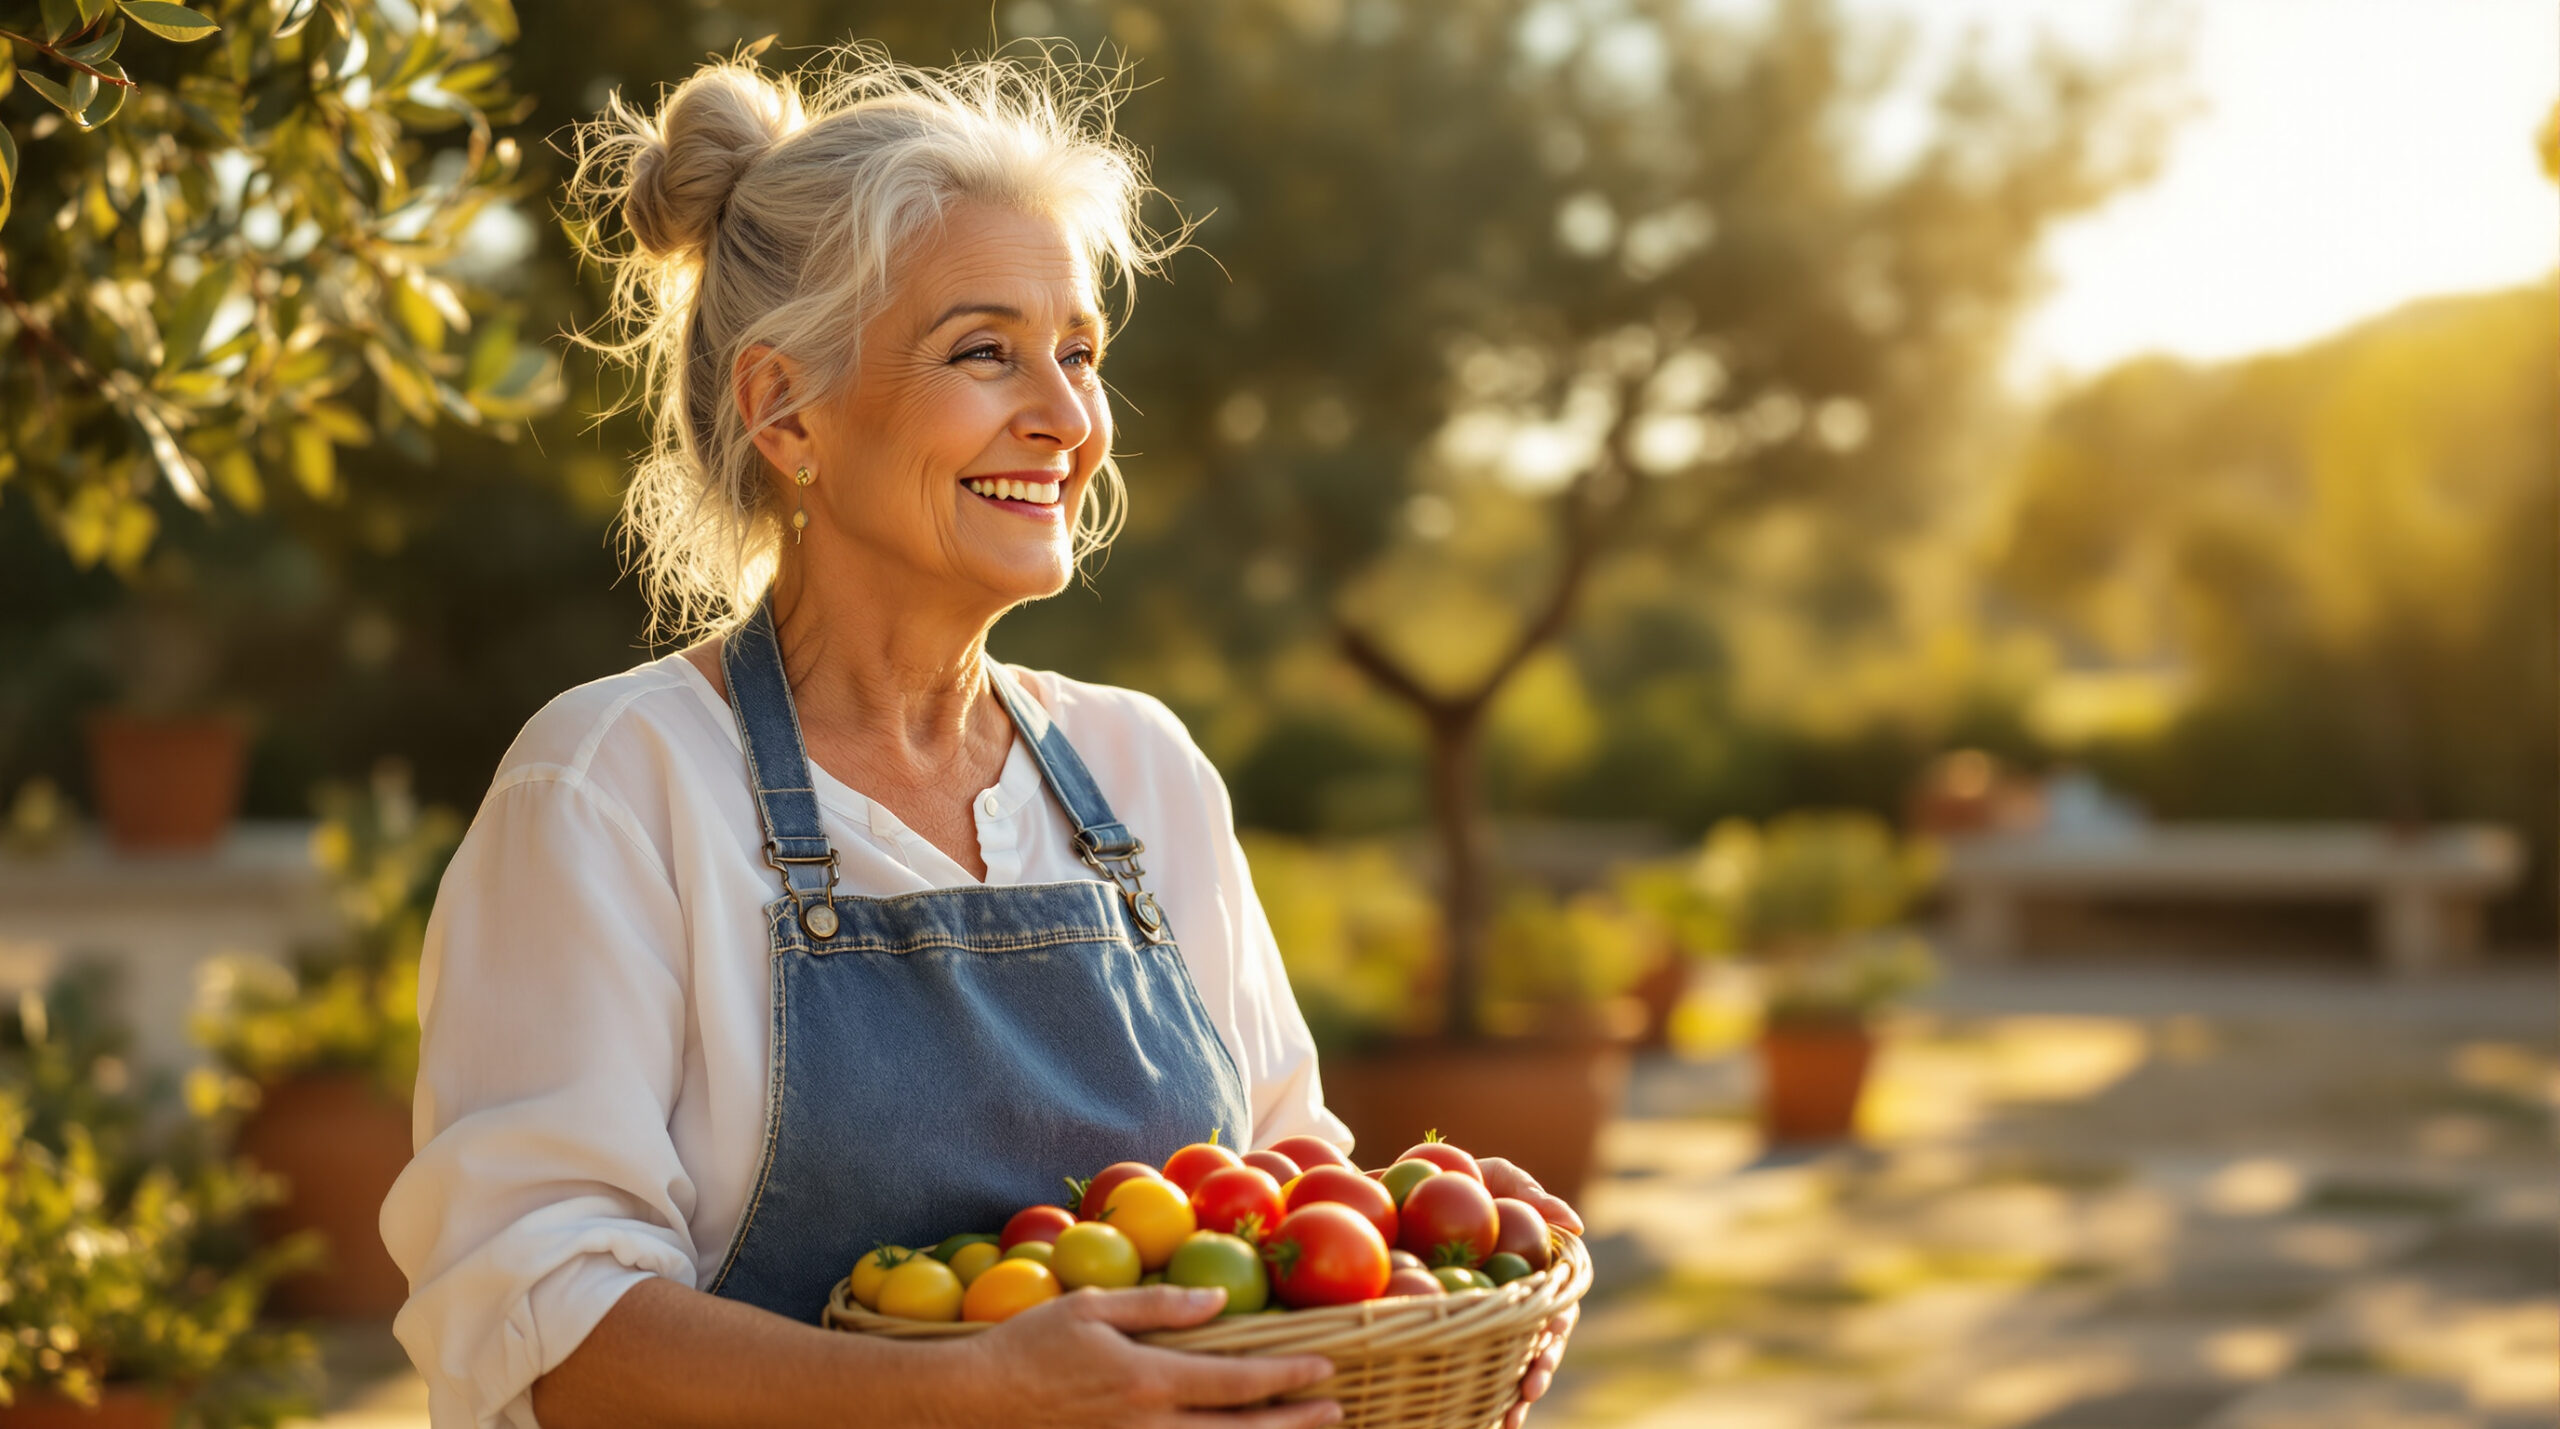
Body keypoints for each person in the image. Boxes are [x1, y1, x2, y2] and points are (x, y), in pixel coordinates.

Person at [380, 49, 1580, 1429]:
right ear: (783, 410)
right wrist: (966, 1397)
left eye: (1080, 352)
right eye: (984, 350)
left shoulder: (1144, 774)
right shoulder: (613, 786)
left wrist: (1438, 1257)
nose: (1070, 420)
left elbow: (1285, 1198)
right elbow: (547, 1335)